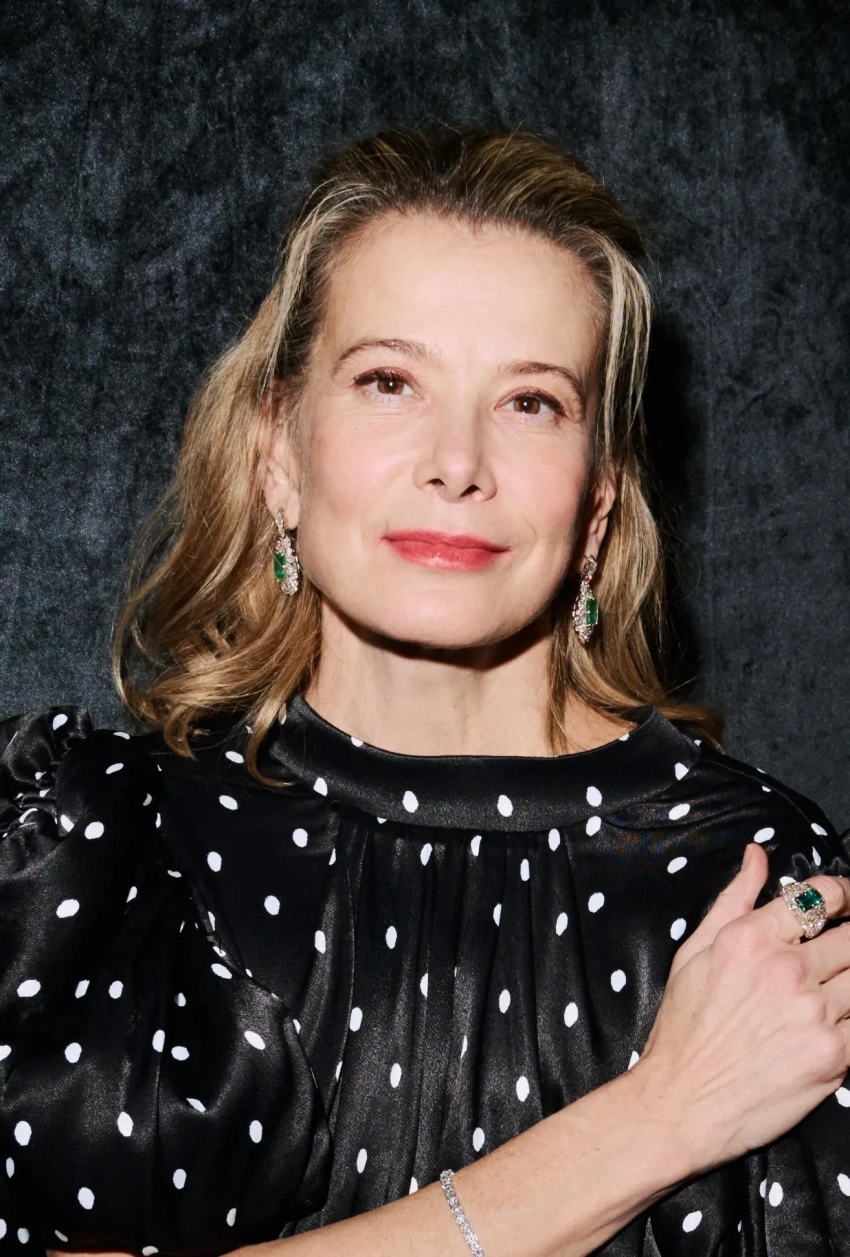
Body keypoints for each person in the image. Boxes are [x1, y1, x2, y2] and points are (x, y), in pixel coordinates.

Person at [0, 124, 848, 1257]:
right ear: (279, 452)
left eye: (531, 402)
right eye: (389, 382)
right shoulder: (101, 850)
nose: (458, 462)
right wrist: (656, 1120)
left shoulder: (751, 887)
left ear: (598, 498)